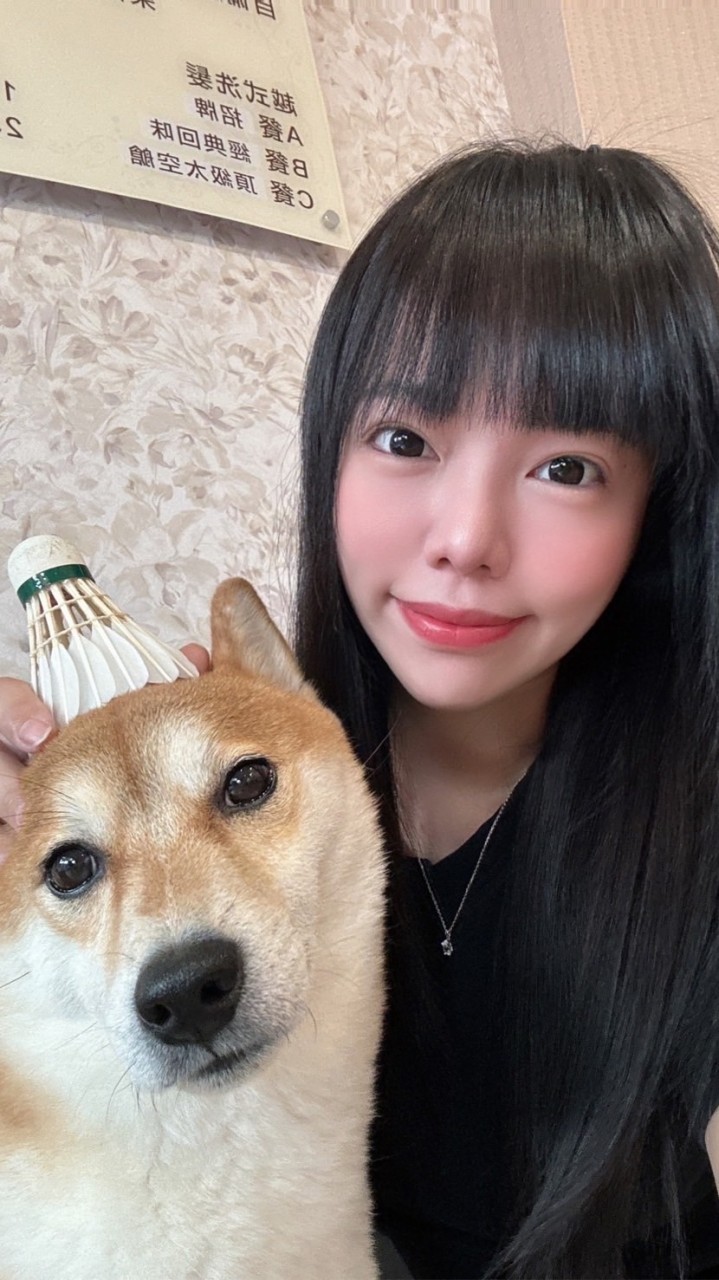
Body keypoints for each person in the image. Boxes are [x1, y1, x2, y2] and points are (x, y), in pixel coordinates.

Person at [2, 140, 719, 1278]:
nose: (464, 539)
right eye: (404, 440)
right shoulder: (277, 739)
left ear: (660, 506)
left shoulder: (694, 810)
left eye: (567, 467)